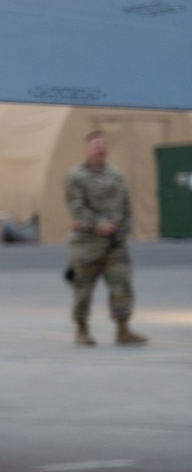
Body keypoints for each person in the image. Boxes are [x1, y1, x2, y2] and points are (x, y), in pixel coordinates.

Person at [66, 131, 148, 347]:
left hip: (115, 244)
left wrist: (124, 229)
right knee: (83, 287)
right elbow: (76, 207)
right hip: (87, 243)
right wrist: (97, 225)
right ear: (87, 149)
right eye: (96, 144)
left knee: (122, 283)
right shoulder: (76, 176)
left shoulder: (116, 175)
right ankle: (82, 330)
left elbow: (126, 206)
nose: (101, 148)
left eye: (104, 144)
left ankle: (123, 329)